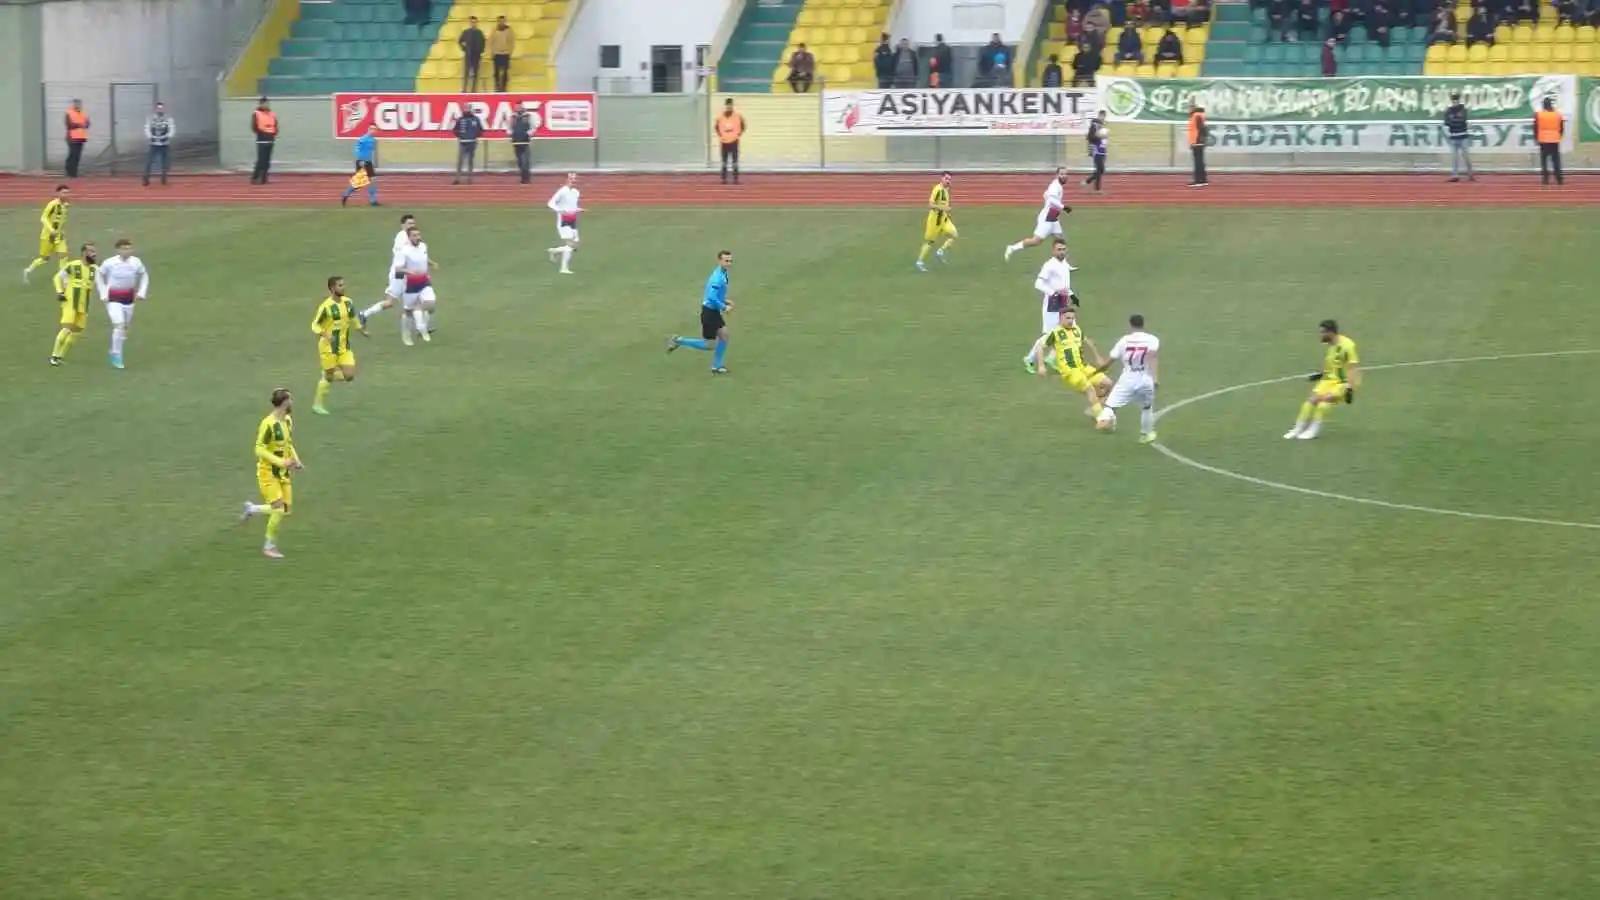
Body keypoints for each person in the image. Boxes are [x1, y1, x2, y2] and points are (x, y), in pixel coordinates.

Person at [239, 388, 302, 559]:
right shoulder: (268, 424)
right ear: (284, 403)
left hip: (283, 472)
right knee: (279, 508)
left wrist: (296, 460)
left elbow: (288, 443)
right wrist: (280, 461)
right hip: (268, 473)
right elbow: (259, 449)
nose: (292, 402)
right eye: (290, 399)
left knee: (286, 510)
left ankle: (251, 509)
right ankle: (269, 546)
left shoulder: (287, 421)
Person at [1283, 319, 1358, 440]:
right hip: (1329, 380)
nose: (1321, 335)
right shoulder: (1331, 346)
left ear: (1331, 332)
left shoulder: (1348, 345)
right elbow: (1332, 363)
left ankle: (1313, 430)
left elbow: (1352, 368)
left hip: (1342, 383)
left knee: (1324, 402)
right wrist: (1320, 374)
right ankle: (1297, 429)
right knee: (1311, 400)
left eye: (1323, 332)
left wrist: (1350, 388)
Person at [1035, 305, 1112, 421]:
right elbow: (1039, 346)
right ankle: (1101, 419)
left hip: (1083, 367)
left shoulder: (1077, 330)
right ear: (1061, 318)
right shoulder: (1055, 333)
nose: (1070, 321)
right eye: (1068, 318)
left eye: (1072, 318)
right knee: (1089, 389)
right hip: (1070, 371)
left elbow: (1087, 342)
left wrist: (1098, 357)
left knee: (1108, 383)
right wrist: (1041, 366)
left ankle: (1094, 408)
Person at [1093, 313, 1161, 443]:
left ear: (1130, 325)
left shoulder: (1123, 341)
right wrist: (1155, 378)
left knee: (1110, 406)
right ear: (1144, 324)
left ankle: (1105, 419)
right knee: (1147, 407)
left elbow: (1109, 361)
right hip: (1146, 379)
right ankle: (1146, 435)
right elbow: (1152, 358)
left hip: (1128, 379)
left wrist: (1098, 371)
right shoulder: (1152, 340)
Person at [666, 249, 734, 375]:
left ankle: (717, 366)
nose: (729, 263)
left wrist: (724, 300)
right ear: (719, 261)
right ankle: (679, 340)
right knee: (709, 345)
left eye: (730, 261)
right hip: (709, 313)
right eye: (726, 261)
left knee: (724, 335)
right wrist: (724, 307)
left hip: (713, 311)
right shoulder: (717, 277)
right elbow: (711, 297)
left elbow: (712, 293)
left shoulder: (723, 273)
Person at [311, 276, 367, 415]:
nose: (343, 287)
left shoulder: (348, 302)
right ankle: (317, 404)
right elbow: (315, 325)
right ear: (332, 288)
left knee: (350, 375)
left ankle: (327, 374)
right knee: (329, 378)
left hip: (344, 346)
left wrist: (361, 330)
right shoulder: (326, 307)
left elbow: (353, 317)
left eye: (343, 285)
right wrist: (325, 334)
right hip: (328, 347)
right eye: (340, 285)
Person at [1023, 238, 1077, 374]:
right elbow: (1038, 283)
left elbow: (1064, 284)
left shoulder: (1064, 264)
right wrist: (1053, 293)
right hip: (1052, 303)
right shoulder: (1049, 265)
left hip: (1063, 301)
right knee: (1049, 335)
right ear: (1053, 251)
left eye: (1064, 249)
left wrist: (1072, 295)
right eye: (1059, 250)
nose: (1062, 252)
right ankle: (1029, 359)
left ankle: (1051, 358)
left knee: (1070, 329)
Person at [94, 238, 149, 370]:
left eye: (129, 248)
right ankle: (116, 355)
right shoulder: (110, 263)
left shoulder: (136, 262)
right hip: (113, 298)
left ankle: (115, 347)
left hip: (129, 298)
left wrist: (142, 292)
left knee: (124, 329)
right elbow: (99, 276)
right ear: (118, 250)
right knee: (119, 324)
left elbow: (144, 275)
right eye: (124, 249)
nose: (127, 251)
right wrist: (103, 293)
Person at [1005, 167, 1071, 261]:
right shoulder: (1055, 186)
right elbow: (1051, 200)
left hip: (1053, 218)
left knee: (1060, 240)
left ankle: (1063, 263)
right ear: (1057, 175)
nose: (1064, 176)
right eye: (1062, 174)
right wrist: (1063, 207)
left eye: (1065, 174)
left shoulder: (1057, 185)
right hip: (1047, 218)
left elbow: (1046, 195)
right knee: (1036, 241)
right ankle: (1012, 248)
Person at [49, 242, 97, 366]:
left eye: (94, 251)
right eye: (91, 251)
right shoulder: (73, 265)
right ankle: (54, 356)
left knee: (76, 331)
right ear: (84, 253)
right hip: (70, 302)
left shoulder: (95, 269)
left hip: (84, 304)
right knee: (67, 328)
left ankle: (60, 356)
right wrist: (60, 292)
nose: (94, 254)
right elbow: (57, 277)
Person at [393, 224, 438, 344]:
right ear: (409, 238)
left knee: (430, 303)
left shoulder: (423, 246)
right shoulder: (404, 251)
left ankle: (421, 325)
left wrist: (432, 263)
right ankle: (406, 335)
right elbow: (398, 269)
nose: (417, 237)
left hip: (424, 281)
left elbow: (424, 258)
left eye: (418, 235)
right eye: (414, 235)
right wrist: (408, 271)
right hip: (410, 284)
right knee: (408, 312)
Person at [23, 183, 70, 283]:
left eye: (67, 193)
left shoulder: (65, 205)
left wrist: (61, 230)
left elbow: (61, 220)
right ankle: (28, 270)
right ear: (58, 193)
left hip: (59, 235)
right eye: (63, 193)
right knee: (45, 258)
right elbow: (43, 218)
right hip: (48, 236)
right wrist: (51, 230)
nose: (66, 195)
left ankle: (63, 277)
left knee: (63, 254)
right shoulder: (52, 204)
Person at [915, 171, 956, 272]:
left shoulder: (946, 190)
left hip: (944, 219)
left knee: (954, 234)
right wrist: (943, 208)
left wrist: (947, 213)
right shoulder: (937, 189)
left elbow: (945, 204)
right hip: (934, 221)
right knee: (930, 242)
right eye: (946, 179)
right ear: (941, 179)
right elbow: (930, 204)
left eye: (949, 179)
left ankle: (940, 251)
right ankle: (919, 262)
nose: (948, 181)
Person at [546, 172, 582, 275]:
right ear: (567, 180)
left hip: (573, 220)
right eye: (571, 179)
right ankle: (564, 268)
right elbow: (550, 203)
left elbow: (573, 206)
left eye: (575, 179)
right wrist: (560, 210)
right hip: (564, 220)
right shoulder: (562, 191)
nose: (573, 181)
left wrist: (578, 209)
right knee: (571, 244)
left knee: (575, 245)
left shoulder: (576, 192)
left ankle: (554, 251)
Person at [344, 126, 378, 205]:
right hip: (361, 162)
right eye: (372, 129)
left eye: (375, 130)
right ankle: (346, 193)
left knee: (372, 180)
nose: (374, 131)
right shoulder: (362, 139)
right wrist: (361, 160)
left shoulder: (373, 140)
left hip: (368, 162)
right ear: (369, 130)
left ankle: (373, 201)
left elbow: (370, 151)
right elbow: (357, 150)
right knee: (360, 183)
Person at [1444, 92, 1474, 182]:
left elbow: (1462, 121)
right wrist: (1456, 122)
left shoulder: (1463, 109)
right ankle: (1455, 175)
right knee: (1454, 157)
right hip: (1454, 137)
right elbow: (1447, 122)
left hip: (1463, 136)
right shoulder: (1449, 110)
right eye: (1453, 99)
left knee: (1466, 156)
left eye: (1456, 99)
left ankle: (1470, 174)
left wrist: (1454, 122)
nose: (1455, 101)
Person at [1536, 95, 1565, 186]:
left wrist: (1537, 138)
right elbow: (1561, 127)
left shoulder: (1539, 115)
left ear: (1544, 105)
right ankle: (1559, 179)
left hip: (1543, 140)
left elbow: (1535, 127)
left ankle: (1545, 179)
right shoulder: (1558, 114)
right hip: (1554, 139)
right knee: (1556, 160)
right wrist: (1558, 136)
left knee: (1544, 161)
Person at [143, 102, 173, 187]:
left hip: (164, 144)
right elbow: (147, 128)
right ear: (155, 109)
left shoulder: (168, 119)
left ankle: (164, 177)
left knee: (164, 161)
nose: (160, 110)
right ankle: (146, 177)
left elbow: (171, 129)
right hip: (153, 144)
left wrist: (166, 136)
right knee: (149, 161)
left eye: (161, 108)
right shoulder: (150, 118)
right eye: (158, 108)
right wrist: (151, 137)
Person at [452, 105, 483, 185]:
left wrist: (475, 135)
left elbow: (481, 129)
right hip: (463, 143)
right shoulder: (460, 119)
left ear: (471, 109)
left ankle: (469, 179)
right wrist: (460, 135)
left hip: (472, 143)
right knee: (460, 161)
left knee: (470, 161)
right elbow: (455, 130)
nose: (466, 110)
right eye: (465, 108)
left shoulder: (475, 119)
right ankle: (457, 179)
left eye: (468, 108)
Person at [716, 98, 745, 185]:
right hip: (724, 142)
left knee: (735, 162)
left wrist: (738, 135)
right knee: (724, 162)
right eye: (727, 105)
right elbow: (716, 127)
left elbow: (743, 126)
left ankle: (735, 179)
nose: (729, 107)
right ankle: (724, 179)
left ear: (732, 106)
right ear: (726, 106)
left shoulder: (738, 116)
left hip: (734, 142)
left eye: (730, 105)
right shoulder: (720, 117)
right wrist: (721, 136)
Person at [250, 97, 277, 184]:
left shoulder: (272, 114)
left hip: (270, 138)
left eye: (267, 103)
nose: (266, 105)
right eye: (265, 103)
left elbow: (275, 125)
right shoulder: (256, 114)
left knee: (267, 160)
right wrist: (263, 133)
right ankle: (255, 177)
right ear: (261, 104)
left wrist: (274, 133)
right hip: (262, 138)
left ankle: (264, 178)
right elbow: (254, 127)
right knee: (261, 160)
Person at [459, 16, 486, 91]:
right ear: (470, 23)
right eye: (472, 22)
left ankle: (473, 90)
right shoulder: (466, 32)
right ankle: (464, 89)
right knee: (466, 73)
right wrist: (464, 49)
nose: (474, 23)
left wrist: (481, 51)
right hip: (468, 55)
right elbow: (460, 41)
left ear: (477, 23)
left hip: (476, 56)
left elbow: (483, 43)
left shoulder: (480, 33)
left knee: (475, 73)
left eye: (475, 22)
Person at [1084, 110, 1109, 193]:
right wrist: (1099, 136)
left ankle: (1088, 181)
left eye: (1104, 116)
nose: (1102, 118)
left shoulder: (1102, 125)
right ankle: (1097, 189)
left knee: (1101, 170)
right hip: (1096, 150)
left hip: (1103, 150)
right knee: (1099, 169)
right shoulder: (1094, 124)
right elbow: (1089, 137)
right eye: (1101, 116)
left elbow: (1104, 138)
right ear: (1099, 116)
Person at [63, 99, 89, 178]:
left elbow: (87, 124)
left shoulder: (83, 113)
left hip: (81, 137)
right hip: (72, 137)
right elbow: (69, 124)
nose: (78, 105)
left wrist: (84, 125)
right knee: (73, 154)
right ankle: (69, 170)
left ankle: (74, 172)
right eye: (76, 104)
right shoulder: (69, 113)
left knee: (77, 155)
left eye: (79, 104)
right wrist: (79, 125)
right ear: (73, 104)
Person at [489, 15, 515, 92]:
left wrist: (510, 52)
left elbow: (511, 42)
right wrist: (492, 52)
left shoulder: (509, 30)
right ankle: (497, 86)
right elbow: (491, 42)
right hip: (497, 54)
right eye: (500, 21)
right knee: (496, 71)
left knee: (505, 71)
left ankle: (504, 87)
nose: (502, 22)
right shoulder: (494, 30)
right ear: (498, 22)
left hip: (505, 53)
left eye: (503, 21)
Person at [1188, 102, 1208, 187]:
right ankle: (1202, 179)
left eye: (1190, 107)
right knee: (1199, 161)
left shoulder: (1196, 116)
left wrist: (1198, 141)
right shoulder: (1197, 116)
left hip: (1197, 142)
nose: (1188, 109)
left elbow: (1202, 129)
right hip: (1196, 142)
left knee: (1198, 162)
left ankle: (1199, 180)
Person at [510, 109, 533, 183]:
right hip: (516, 143)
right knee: (520, 162)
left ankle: (526, 178)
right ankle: (523, 178)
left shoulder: (527, 117)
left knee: (525, 161)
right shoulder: (513, 118)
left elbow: (532, 128)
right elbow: (509, 129)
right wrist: (512, 134)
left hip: (525, 143)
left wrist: (527, 134)